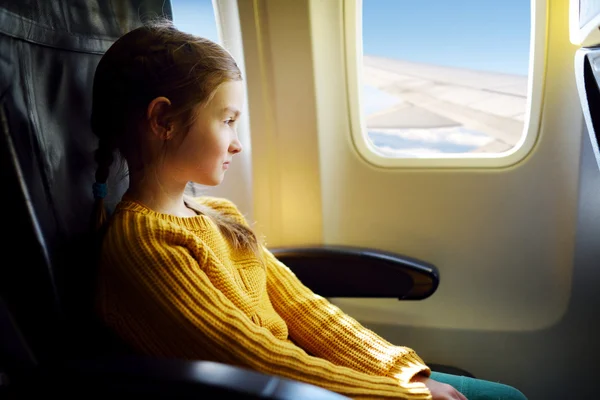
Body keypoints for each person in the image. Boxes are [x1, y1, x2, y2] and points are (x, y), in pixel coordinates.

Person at [90, 19, 527, 400]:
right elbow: (253, 359)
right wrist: (397, 395)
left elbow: (306, 309)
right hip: (266, 391)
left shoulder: (218, 213)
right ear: (163, 120)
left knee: (506, 396)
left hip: (301, 379)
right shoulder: (143, 243)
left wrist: (400, 371)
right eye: (226, 120)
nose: (237, 142)